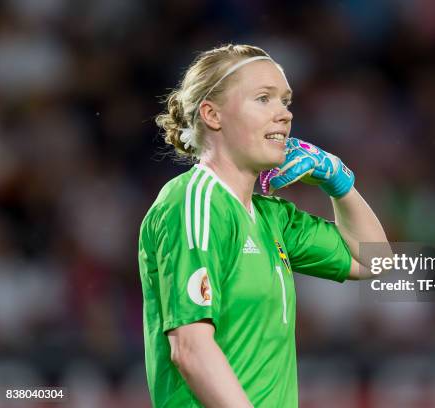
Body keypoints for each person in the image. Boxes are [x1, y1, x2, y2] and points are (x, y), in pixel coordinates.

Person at [138, 43, 387, 407]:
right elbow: (191, 350)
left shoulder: (273, 217)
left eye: (285, 101)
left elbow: (374, 262)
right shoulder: (193, 203)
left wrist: (339, 181)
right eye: (263, 98)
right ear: (212, 114)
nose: (284, 114)